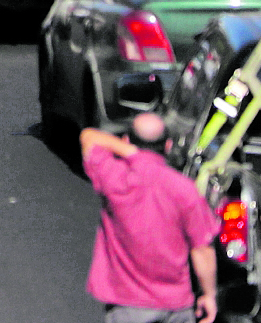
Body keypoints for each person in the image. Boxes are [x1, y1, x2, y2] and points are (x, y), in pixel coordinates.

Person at [78, 114, 219, 323]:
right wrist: (209, 295)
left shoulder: (115, 178)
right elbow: (202, 250)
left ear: (126, 141)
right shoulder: (185, 190)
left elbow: (88, 137)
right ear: (168, 146)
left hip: (127, 306)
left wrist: (133, 153)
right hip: (175, 307)